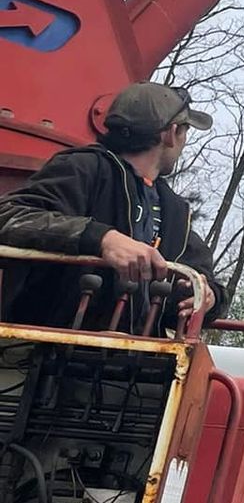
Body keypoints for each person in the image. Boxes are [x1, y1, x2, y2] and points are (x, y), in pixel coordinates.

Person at [0, 82, 227, 329]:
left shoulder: (174, 210)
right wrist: (102, 238)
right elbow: (8, 215)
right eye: (185, 131)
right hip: (42, 353)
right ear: (171, 134)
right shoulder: (83, 168)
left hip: (136, 360)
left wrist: (209, 297)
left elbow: (204, 279)